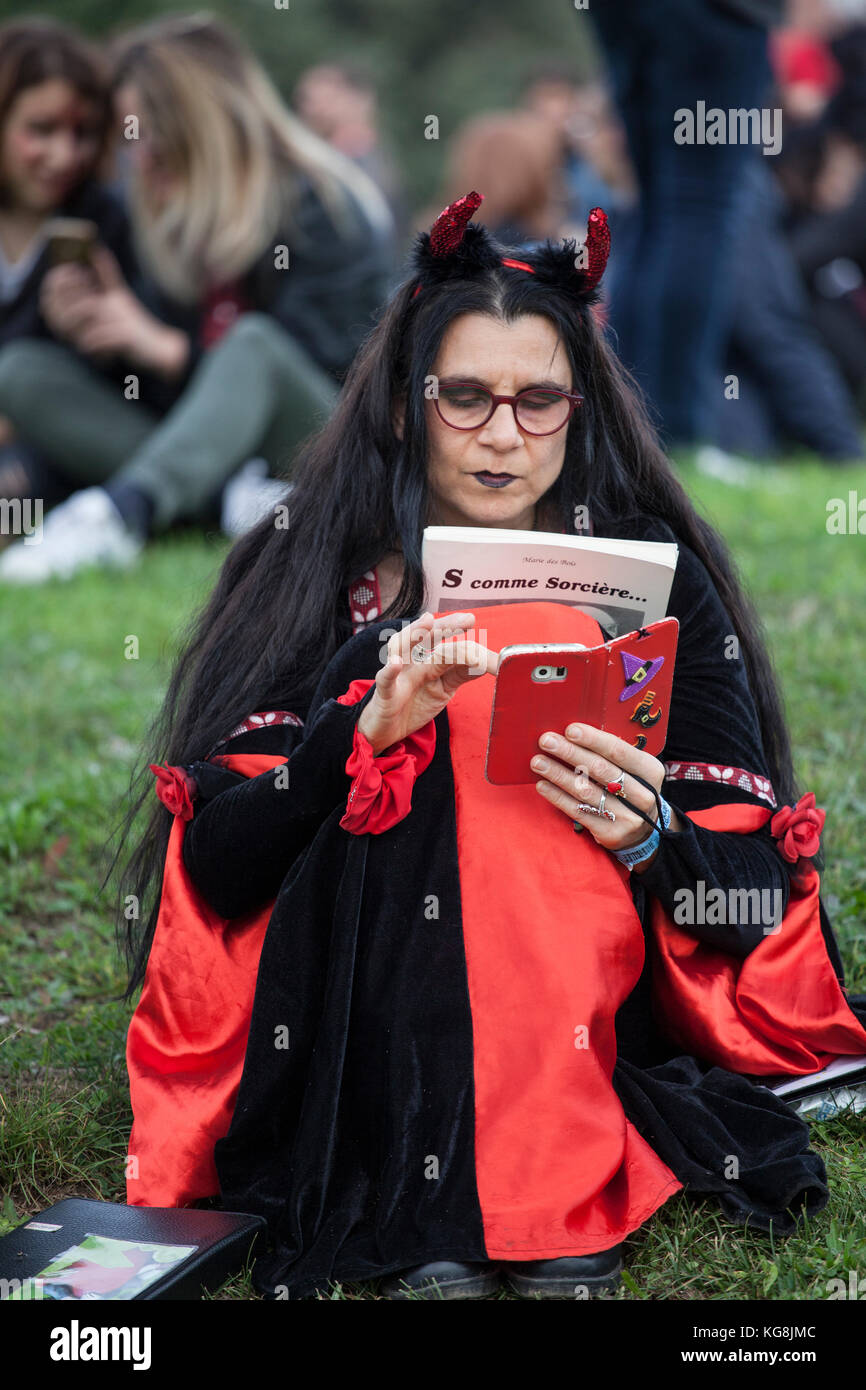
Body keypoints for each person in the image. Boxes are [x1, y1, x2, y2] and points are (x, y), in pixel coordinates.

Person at [119, 193, 866, 1300]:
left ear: (580, 410)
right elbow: (223, 870)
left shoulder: (652, 574)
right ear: (403, 408)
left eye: (538, 400)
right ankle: (455, 1187)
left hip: (578, 980)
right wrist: (359, 729)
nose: (504, 435)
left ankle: (531, 1178)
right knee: (443, 734)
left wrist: (651, 830)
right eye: (464, 397)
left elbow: (748, 892)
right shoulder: (309, 569)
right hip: (349, 985)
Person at [0, 14, 393, 583]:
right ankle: (221, 507)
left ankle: (118, 515)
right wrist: (102, 336)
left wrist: (162, 347)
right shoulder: (157, 215)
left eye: (152, 137)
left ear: (203, 129)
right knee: (21, 371)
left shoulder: (323, 205)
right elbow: (170, 407)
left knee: (254, 343)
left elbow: (334, 375)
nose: (142, 158)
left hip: (324, 445)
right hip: (220, 467)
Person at [0, 18, 132, 515]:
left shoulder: (105, 222)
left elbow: (128, 393)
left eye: (82, 133)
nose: (64, 154)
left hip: (55, 452)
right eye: (42, 130)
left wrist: (93, 340)